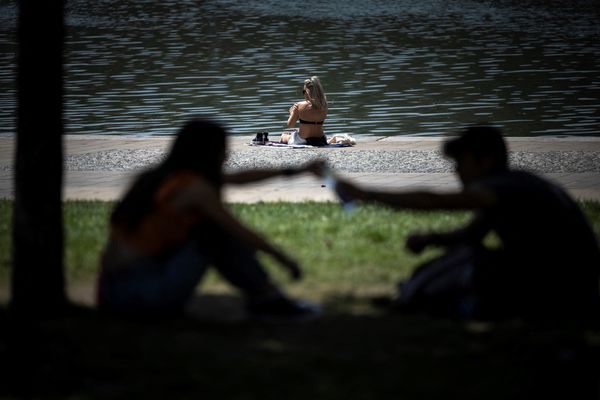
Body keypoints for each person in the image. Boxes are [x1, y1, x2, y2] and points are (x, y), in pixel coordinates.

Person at [334, 125, 600, 321]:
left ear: (485, 160)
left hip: (563, 283)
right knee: (461, 259)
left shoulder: (499, 187)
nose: (456, 170)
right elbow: (472, 235)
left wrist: (366, 194)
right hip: (568, 278)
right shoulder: (515, 183)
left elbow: (435, 201)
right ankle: (418, 297)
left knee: (465, 268)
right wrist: (432, 240)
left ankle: (420, 301)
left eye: (461, 162)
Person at [97, 118, 322, 319]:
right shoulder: (196, 190)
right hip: (141, 296)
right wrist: (284, 260)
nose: (227, 155)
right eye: (223, 149)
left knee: (207, 232)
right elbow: (238, 231)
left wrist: (296, 171)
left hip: (111, 293)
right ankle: (267, 298)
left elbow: (237, 178)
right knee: (213, 233)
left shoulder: (161, 179)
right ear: (209, 152)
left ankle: (266, 297)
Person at [281, 76, 328, 146]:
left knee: (284, 135)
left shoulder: (299, 105)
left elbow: (290, 125)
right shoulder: (324, 105)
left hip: (303, 140)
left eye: (303, 91)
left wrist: (292, 113)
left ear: (306, 92)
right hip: (321, 139)